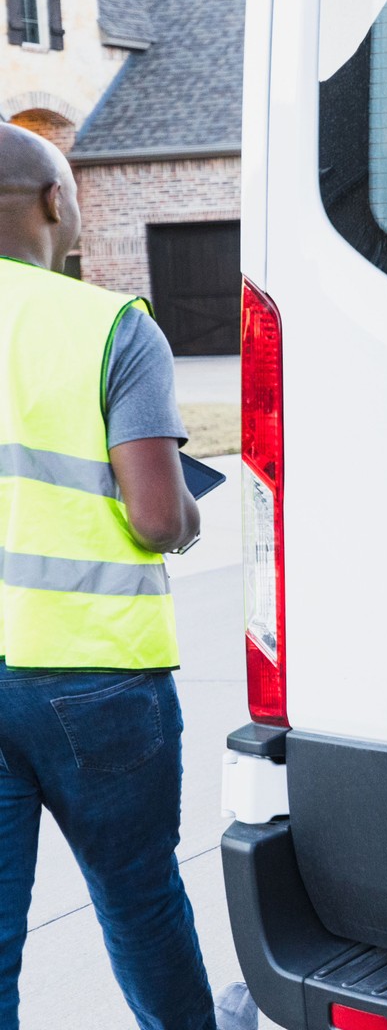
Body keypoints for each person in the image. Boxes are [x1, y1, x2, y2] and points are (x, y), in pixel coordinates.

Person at [0, 123, 219, 1029]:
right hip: (98, 677)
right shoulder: (110, 325)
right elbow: (159, 517)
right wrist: (195, 510)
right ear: (56, 202)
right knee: (138, 901)